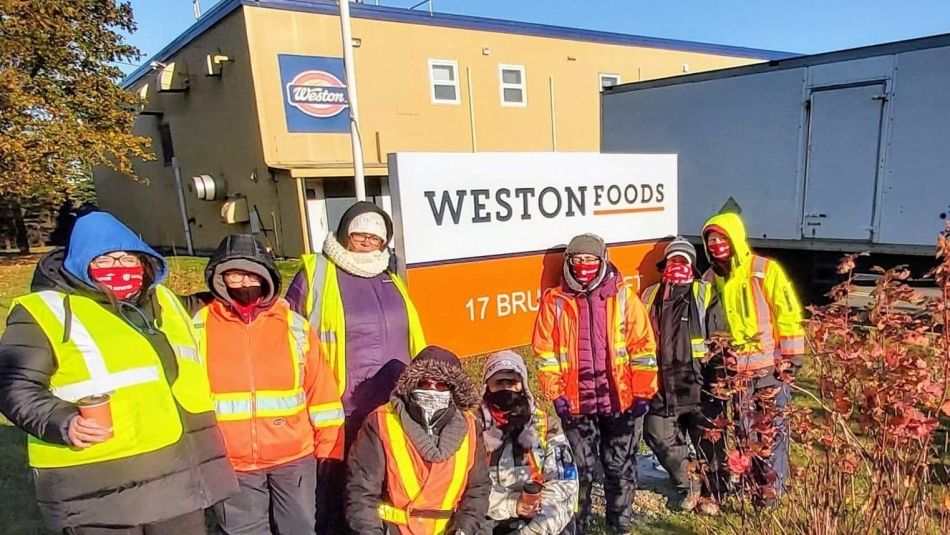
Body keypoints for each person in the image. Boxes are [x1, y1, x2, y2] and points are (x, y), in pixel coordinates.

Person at [0, 211, 237, 534]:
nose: (119, 267)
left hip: (176, 481)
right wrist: (62, 420)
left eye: (127, 258)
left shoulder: (162, 301)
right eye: (106, 259)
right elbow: (14, 384)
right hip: (99, 487)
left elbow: (202, 305)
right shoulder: (46, 311)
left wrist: (240, 277)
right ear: (81, 262)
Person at [286, 201, 426, 533]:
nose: (366, 240)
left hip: (392, 408)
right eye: (358, 233)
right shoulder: (315, 275)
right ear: (344, 232)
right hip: (339, 408)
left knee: (384, 483)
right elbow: (289, 335)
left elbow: (413, 336)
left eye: (375, 236)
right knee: (339, 489)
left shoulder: (391, 279)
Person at [191, 234, 344, 534]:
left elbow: (322, 395)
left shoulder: (294, 326)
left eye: (252, 273)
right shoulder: (198, 326)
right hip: (231, 462)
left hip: (294, 460)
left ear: (267, 277)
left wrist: (329, 453)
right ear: (219, 278)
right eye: (234, 274)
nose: (244, 282)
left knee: (301, 529)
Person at [531, 233, 658, 534]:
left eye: (590, 259)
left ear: (603, 260)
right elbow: (544, 352)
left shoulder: (625, 297)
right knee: (582, 470)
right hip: (576, 404)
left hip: (620, 400)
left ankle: (620, 520)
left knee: (619, 465)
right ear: (569, 263)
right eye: (577, 260)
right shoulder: (554, 301)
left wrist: (643, 392)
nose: (584, 265)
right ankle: (580, 523)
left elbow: (643, 348)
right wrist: (555, 392)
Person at [701, 212, 805, 500]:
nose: (717, 244)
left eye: (722, 238)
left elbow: (787, 312)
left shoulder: (764, 269)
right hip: (736, 373)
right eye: (711, 240)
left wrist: (793, 356)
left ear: (735, 238)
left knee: (772, 432)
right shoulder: (710, 278)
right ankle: (752, 486)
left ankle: (772, 490)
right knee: (746, 433)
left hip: (771, 367)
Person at [345, 346, 491, 535]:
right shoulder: (381, 422)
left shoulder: (471, 426)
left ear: (453, 390)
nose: (432, 390)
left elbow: (478, 489)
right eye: (424, 383)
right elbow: (361, 493)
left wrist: (463, 530)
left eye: (441, 385)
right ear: (411, 385)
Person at [639, 237, 728, 515]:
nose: (677, 265)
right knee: (657, 434)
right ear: (664, 264)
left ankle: (714, 492)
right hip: (662, 387)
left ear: (692, 264)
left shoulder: (705, 292)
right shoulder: (650, 294)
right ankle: (689, 484)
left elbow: (719, 336)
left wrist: (719, 379)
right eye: (672, 260)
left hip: (700, 385)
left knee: (709, 441)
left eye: (683, 260)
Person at [480, 350, 578, 535]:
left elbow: (564, 484)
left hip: (537, 515)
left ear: (523, 386)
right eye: (499, 382)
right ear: (487, 386)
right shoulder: (472, 426)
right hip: (489, 513)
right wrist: (511, 504)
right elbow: (464, 489)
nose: (506, 388)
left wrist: (531, 532)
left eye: (513, 382)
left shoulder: (546, 424)